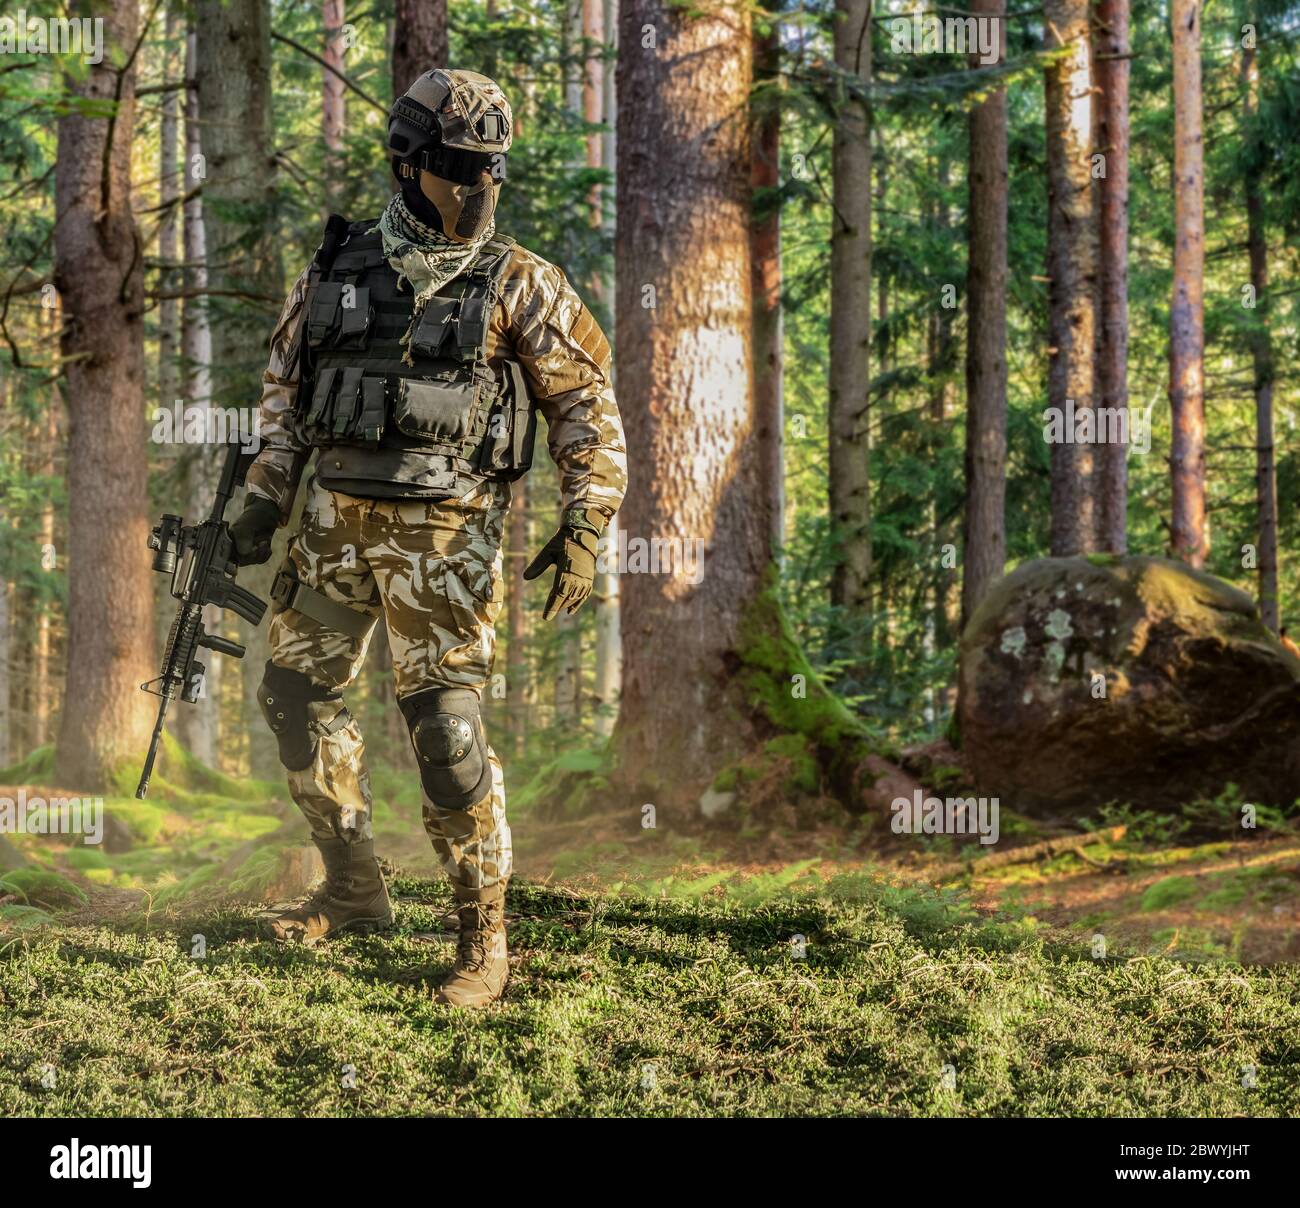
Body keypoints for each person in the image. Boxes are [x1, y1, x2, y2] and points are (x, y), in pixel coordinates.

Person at [228, 68, 626, 1007]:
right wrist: (260, 501)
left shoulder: (523, 282)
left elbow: (587, 410)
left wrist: (585, 522)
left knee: (446, 735)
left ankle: (481, 939)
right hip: (330, 527)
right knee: (294, 700)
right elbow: (285, 406)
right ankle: (353, 887)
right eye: (455, 165)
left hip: (446, 544)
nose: (476, 184)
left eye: (491, 166)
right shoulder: (333, 268)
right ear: (407, 165)